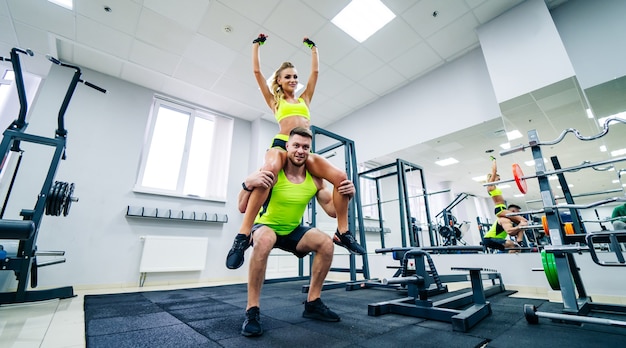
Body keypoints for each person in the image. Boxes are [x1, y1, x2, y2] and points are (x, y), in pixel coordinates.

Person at [226, 34, 364, 270]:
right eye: (287, 76)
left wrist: (314, 49)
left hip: (303, 148)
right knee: (268, 171)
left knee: (341, 178)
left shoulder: (305, 99)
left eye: (295, 77)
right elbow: (257, 74)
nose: (293, 79)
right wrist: (256, 45)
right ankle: (243, 235)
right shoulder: (275, 101)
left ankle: (343, 232)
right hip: (282, 144)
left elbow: (316, 74)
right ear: (279, 81)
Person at [238, 127, 355, 337]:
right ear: (287, 147)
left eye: (305, 147)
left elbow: (331, 210)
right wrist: (246, 184)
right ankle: (252, 310)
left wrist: (346, 194)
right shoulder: (273, 172)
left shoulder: (315, 179)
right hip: (266, 226)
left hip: (293, 230)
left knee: (326, 243)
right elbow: (242, 206)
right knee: (263, 241)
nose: (300, 151)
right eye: (296, 146)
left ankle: (313, 303)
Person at [486, 156, 528, 225]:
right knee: (523, 220)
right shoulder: (490, 186)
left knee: (520, 222)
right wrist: (494, 160)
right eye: (498, 179)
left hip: (503, 208)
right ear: (493, 177)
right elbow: (494, 171)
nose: (499, 180)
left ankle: (517, 234)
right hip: (500, 209)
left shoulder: (494, 187)